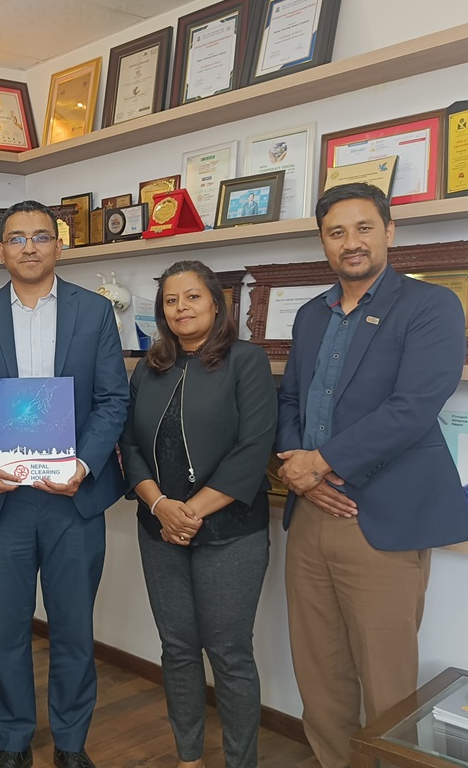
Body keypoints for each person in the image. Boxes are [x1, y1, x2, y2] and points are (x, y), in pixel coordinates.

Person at [276, 182, 468, 768]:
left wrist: (321, 463)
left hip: (380, 517)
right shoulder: (311, 315)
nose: (351, 242)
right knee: (319, 672)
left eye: (364, 228)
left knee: (387, 682)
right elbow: (290, 399)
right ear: (324, 243)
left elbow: (413, 407)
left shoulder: (431, 306)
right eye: (336, 232)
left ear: (389, 231)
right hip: (310, 511)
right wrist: (297, 467)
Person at [0, 200, 129, 768]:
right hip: (4, 501)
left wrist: (85, 465)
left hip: (73, 499)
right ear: (1, 249)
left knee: (74, 628)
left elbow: (113, 399)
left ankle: (71, 742)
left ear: (59, 245)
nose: (29, 247)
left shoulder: (94, 312)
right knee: (7, 629)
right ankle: (13, 740)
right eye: (18, 238)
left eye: (41, 236)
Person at [120, 260, 276, 768]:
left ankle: (240, 761)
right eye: (171, 300)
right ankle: (188, 758)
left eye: (192, 297)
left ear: (215, 303)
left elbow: (253, 449)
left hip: (230, 533)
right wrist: (159, 506)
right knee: (177, 649)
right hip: (159, 529)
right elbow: (129, 445)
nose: (181, 308)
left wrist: (187, 512)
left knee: (229, 654)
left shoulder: (246, 361)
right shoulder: (150, 366)